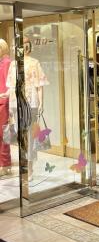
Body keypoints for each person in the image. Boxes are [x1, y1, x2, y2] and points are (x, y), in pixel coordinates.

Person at [6, 37, 49, 180]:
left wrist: (42, 103)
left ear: (29, 46)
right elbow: (10, 86)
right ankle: (23, 165)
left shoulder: (34, 62)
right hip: (16, 103)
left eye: (26, 45)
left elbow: (40, 85)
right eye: (21, 45)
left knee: (30, 135)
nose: (24, 48)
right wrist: (8, 102)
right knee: (20, 135)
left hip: (31, 103)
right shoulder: (13, 64)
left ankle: (30, 167)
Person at [0, 39, 11, 174]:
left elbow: (10, 83)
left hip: (4, 102)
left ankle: (5, 164)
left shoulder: (7, 62)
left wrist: (6, 96)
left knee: (4, 134)